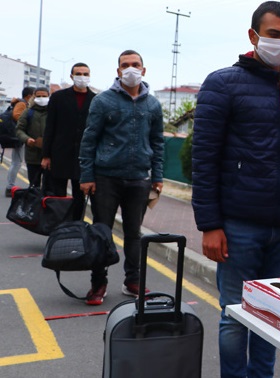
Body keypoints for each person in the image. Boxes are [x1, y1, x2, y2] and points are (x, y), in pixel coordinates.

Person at [191, 2, 280, 377]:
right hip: (238, 226)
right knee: (235, 315)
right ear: (253, 36)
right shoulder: (222, 83)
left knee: (274, 314)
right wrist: (210, 224)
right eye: (274, 35)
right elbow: (204, 159)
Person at [79, 50, 164, 306]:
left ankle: (133, 281)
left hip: (139, 179)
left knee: (133, 234)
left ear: (144, 69)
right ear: (118, 71)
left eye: (135, 64)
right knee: (101, 233)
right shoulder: (103, 101)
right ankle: (98, 283)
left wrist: (157, 176)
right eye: (125, 65)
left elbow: (158, 143)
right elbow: (89, 140)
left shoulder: (153, 104)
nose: (130, 69)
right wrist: (86, 175)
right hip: (106, 178)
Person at [42, 63, 95, 220]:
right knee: (58, 196)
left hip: (83, 157)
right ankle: (57, 229)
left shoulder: (96, 99)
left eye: (86, 74)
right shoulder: (58, 97)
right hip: (60, 154)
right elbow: (50, 127)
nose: (82, 77)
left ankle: (76, 228)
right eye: (78, 74)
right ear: (72, 76)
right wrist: (46, 155)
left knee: (80, 197)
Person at [15, 87, 50, 188]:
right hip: (32, 156)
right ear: (34, 97)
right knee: (34, 186)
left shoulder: (53, 112)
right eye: (38, 96)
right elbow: (19, 129)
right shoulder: (28, 112)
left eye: (44, 96)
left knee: (49, 187)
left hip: (50, 157)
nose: (41, 98)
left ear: (49, 97)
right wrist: (26, 139)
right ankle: (34, 203)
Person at [5, 86, 34, 196]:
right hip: (18, 136)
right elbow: (16, 115)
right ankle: (10, 186)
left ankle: (10, 185)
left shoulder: (22, 103)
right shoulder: (22, 104)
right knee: (16, 162)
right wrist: (27, 121)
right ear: (29, 96)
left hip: (17, 136)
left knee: (16, 161)